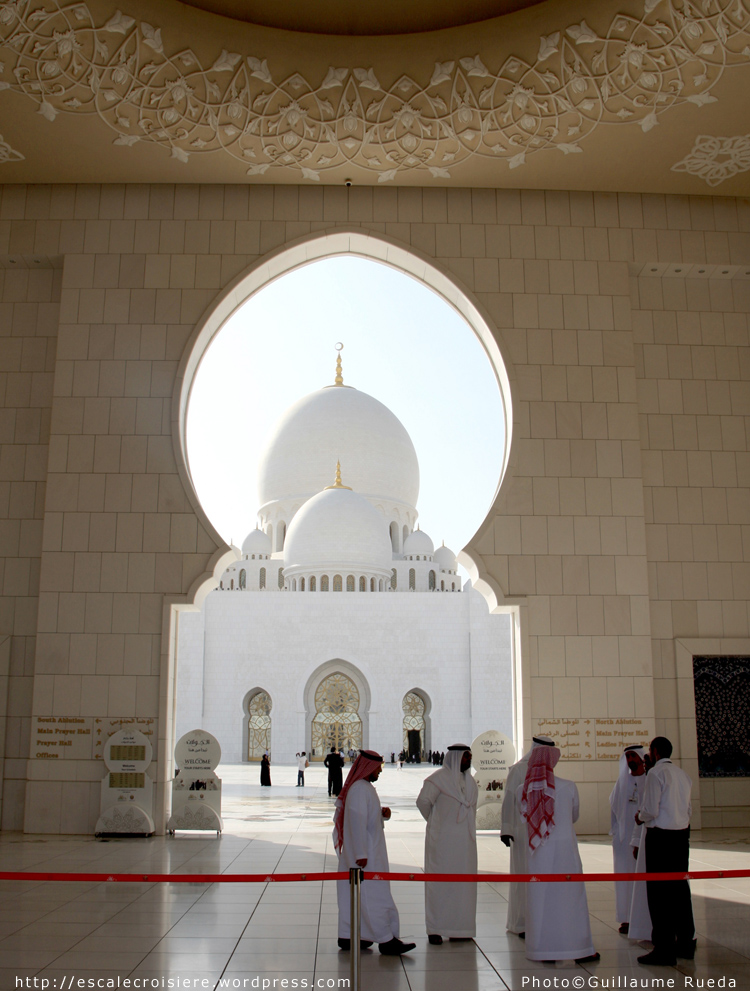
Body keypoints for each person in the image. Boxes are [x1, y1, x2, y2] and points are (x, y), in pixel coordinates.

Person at [333, 749, 416, 956]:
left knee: (360, 897)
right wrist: (361, 853)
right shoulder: (360, 789)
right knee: (375, 896)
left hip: (366, 852)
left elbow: (365, 817)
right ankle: (386, 939)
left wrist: (381, 814)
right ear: (368, 767)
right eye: (378, 768)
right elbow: (357, 821)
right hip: (365, 856)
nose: (380, 771)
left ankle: (352, 935)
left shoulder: (363, 788)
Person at [520, 746, 599, 963]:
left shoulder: (524, 789)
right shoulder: (568, 786)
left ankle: (543, 949)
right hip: (566, 851)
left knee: (541, 898)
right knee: (571, 898)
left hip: (538, 853)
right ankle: (579, 949)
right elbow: (574, 816)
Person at [635, 736, 695, 966]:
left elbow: (650, 809)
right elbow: (688, 809)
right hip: (681, 837)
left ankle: (664, 949)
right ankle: (685, 943)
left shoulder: (656, 774)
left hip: (660, 838)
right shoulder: (683, 775)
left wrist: (639, 817)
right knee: (680, 889)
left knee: (659, 893)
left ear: (656, 751)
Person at [416, 743, 478, 945]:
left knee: (463, 885)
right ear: (455, 758)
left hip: (465, 844)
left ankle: (461, 928)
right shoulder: (437, 779)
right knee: (440, 884)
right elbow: (423, 802)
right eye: (465, 757)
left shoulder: (471, 782)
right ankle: (435, 928)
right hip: (442, 842)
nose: (468, 760)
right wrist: (437, 823)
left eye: (469, 757)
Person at [500, 735, 556, 937]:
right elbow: (508, 800)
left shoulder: (548, 771)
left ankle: (541, 920)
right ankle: (521, 923)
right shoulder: (518, 769)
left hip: (543, 834)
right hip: (522, 833)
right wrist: (506, 829)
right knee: (523, 876)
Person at [609, 745, 647, 934]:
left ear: (641, 758)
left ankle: (641, 918)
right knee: (624, 879)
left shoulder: (650, 780)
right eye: (628, 756)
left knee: (641, 879)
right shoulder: (621, 782)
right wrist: (616, 834)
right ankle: (626, 918)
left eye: (634, 756)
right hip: (623, 841)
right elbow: (613, 810)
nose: (631, 759)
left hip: (643, 838)